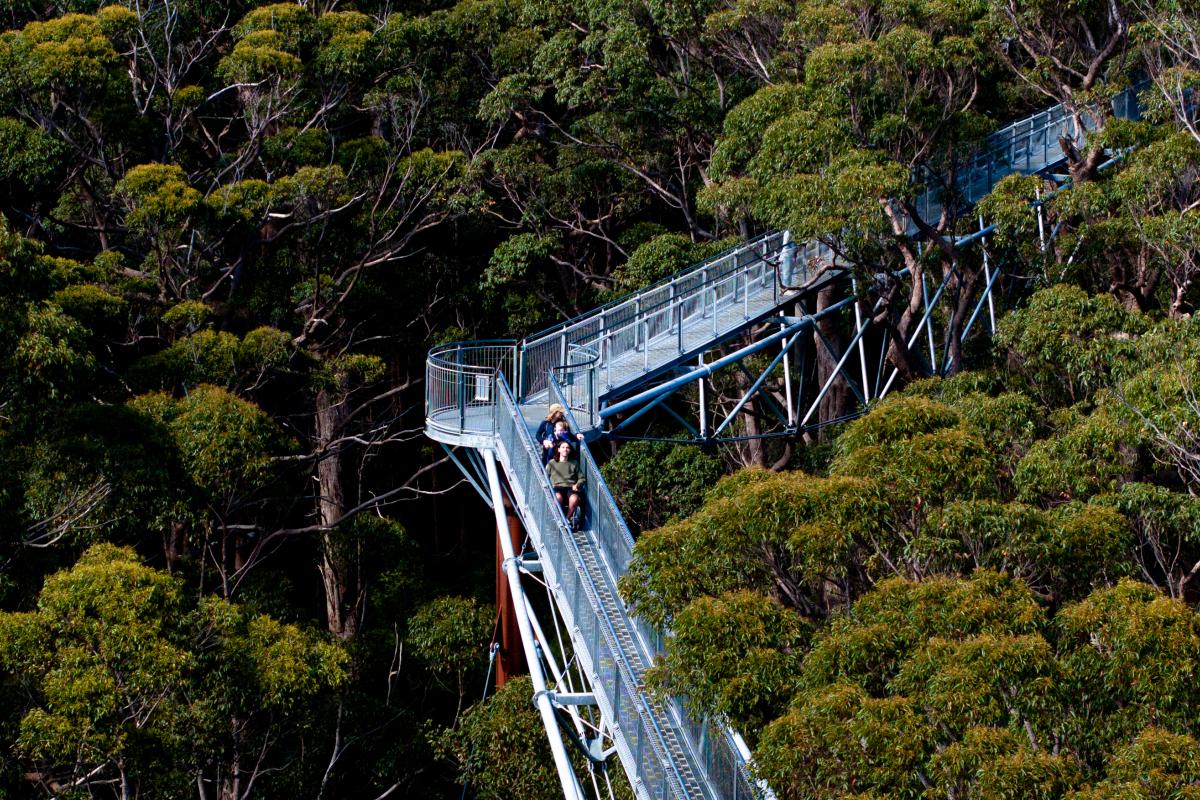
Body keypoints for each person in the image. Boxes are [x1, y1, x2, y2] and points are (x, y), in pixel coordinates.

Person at [545, 440, 585, 529]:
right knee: (558, 497)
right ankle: (559, 518)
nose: (565, 449)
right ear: (558, 449)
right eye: (563, 447)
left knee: (575, 498)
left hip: (570, 488)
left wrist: (577, 485)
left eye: (567, 448)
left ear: (570, 450)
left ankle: (566, 520)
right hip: (557, 487)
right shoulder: (552, 463)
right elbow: (544, 477)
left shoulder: (574, 463)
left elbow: (582, 478)